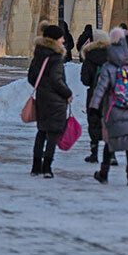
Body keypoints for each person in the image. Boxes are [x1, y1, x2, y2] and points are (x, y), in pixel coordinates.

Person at [91, 27, 128, 186]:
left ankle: (104, 173)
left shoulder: (108, 68)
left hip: (114, 109)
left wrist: (94, 107)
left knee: (110, 141)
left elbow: (100, 89)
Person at [27, 23, 73, 178]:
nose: (63, 40)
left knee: (41, 132)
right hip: (56, 101)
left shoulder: (38, 54)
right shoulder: (56, 57)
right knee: (53, 134)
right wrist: (67, 93)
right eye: (61, 37)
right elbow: (56, 79)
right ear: (54, 39)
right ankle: (47, 167)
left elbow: (31, 77)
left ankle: (35, 167)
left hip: (42, 99)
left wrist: (42, 88)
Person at [80, 29, 111, 163]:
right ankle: (112, 155)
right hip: (110, 95)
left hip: (94, 96)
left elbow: (85, 80)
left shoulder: (89, 57)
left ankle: (94, 153)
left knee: (94, 123)